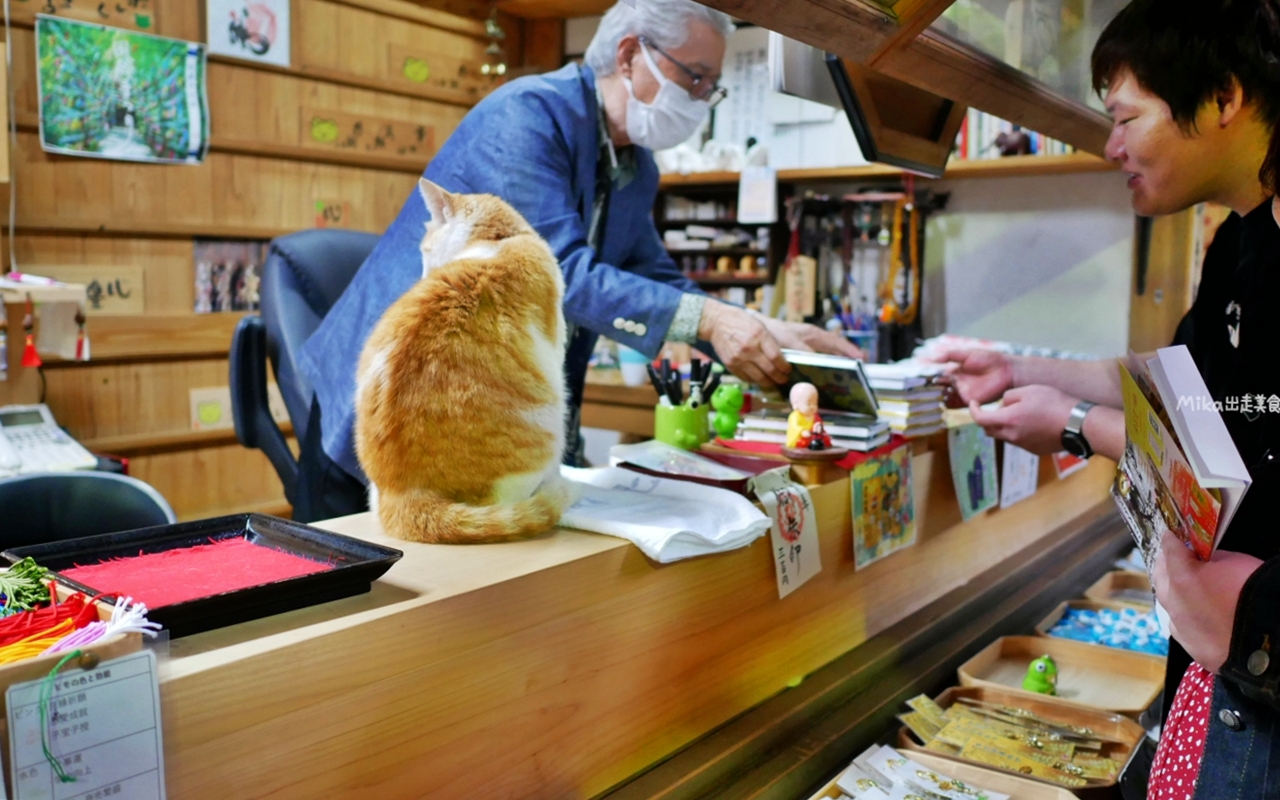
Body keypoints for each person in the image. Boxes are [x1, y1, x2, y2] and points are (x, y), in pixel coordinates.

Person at [293, 0, 860, 520]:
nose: (701, 99)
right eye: (695, 77)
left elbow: (657, 278)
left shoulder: (635, 165)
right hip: (395, 410)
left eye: (712, 87)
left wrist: (766, 330)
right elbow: (562, 270)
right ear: (630, 54)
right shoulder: (527, 117)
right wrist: (712, 321)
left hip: (480, 420)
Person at [938, 2, 1280, 796]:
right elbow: (1182, 392)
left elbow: (1224, 447)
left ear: (1224, 97)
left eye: (1125, 118)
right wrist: (1019, 368)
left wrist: (1073, 426)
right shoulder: (1240, 239)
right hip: (1220, 656)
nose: (1110, 145)